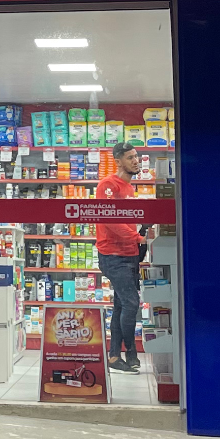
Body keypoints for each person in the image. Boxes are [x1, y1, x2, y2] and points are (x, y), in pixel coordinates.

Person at [96, 143, 150, 375]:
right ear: (118, 161)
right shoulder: (108, 185)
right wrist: (138, 238)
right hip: (113, 255)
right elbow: (109, 219)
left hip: (129, 254)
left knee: (120, 306)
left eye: (136, 156)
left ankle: (114, 357)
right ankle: (132, 354)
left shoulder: (129, 188)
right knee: (131, 303)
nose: (135, 161)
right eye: (130, 158)